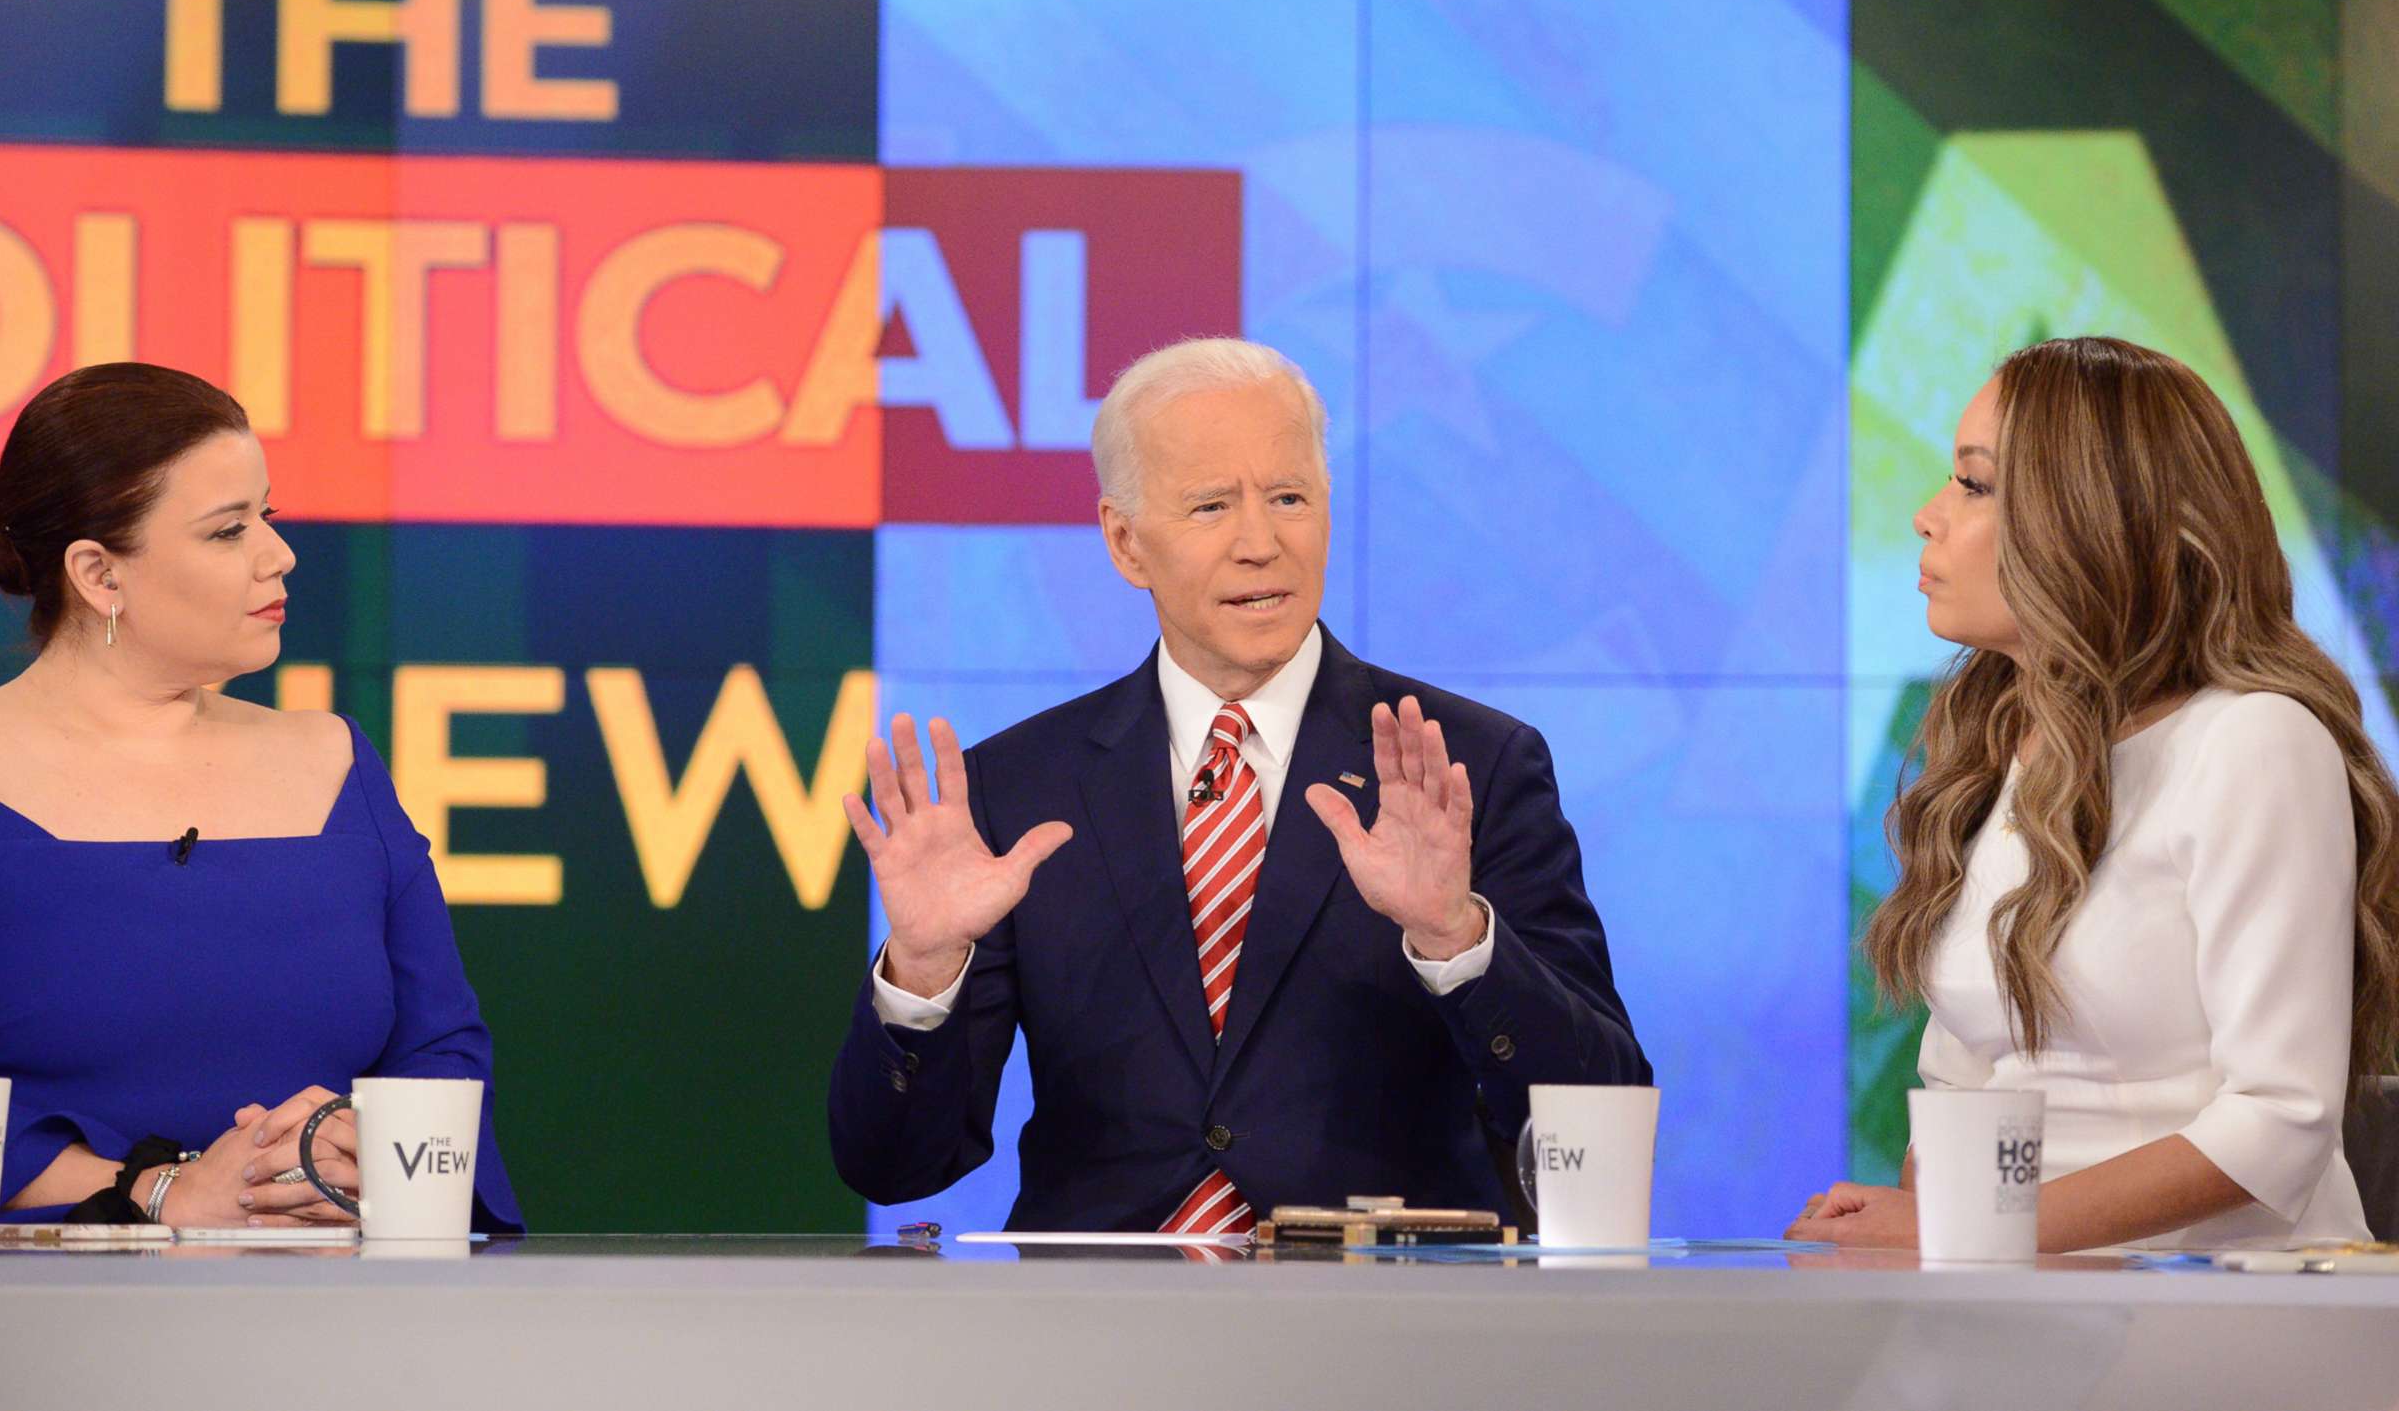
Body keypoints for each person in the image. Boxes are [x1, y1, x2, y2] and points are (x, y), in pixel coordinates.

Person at [829, 338, 1646, 1233]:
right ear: (1125, 541)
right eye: (1212, 506)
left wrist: (1457, 938)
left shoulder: (1469, 767)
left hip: (1388, 1334)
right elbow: (894, 1165)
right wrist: (922, 973)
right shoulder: (1018, 789)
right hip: (1103, 1341)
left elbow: (1597, 1116)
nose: (1261, 543)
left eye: (1289, 498)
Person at [0, 363, 521, 1235]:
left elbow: (441, 1053)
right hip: (26, 1332)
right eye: (228, 531)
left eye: (269, 515)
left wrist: (357, 1150)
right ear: (99, 575)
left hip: (342, 1313)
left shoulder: (338, 760)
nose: (279, 553)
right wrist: (161, 1193)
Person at [1789, 337, 2399, 1252]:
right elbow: (1961, 1089)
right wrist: (1903, 1240)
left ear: (2090, 518)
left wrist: (1961, 1231)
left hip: (2233, 1321)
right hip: (2028, 1305)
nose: (1927, 516)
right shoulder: (1999, 750)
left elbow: (2279, 1119)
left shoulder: (2255, 741)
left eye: (1974, 484)